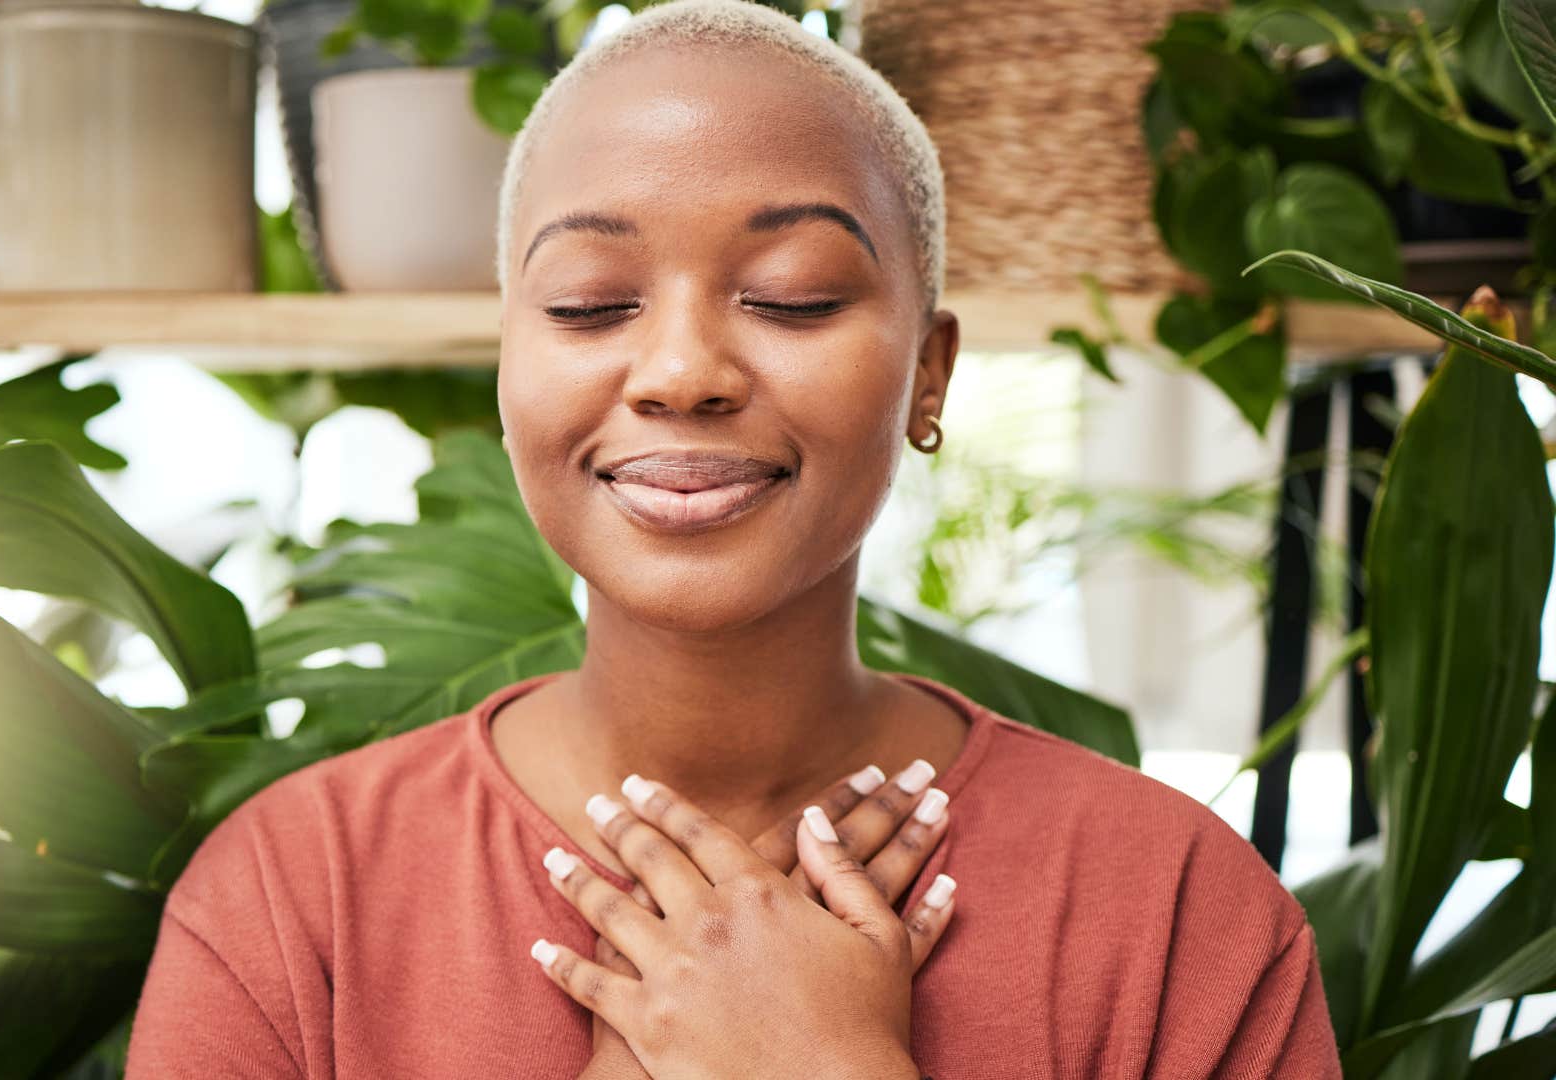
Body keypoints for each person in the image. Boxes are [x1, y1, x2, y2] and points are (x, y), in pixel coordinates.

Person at [127, 1, 1345, 1076]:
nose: (680, 372)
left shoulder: (1177, 909)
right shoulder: (294, 902)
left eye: (795, 295)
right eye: (589, 304)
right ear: (511, 367)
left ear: (928, 376)